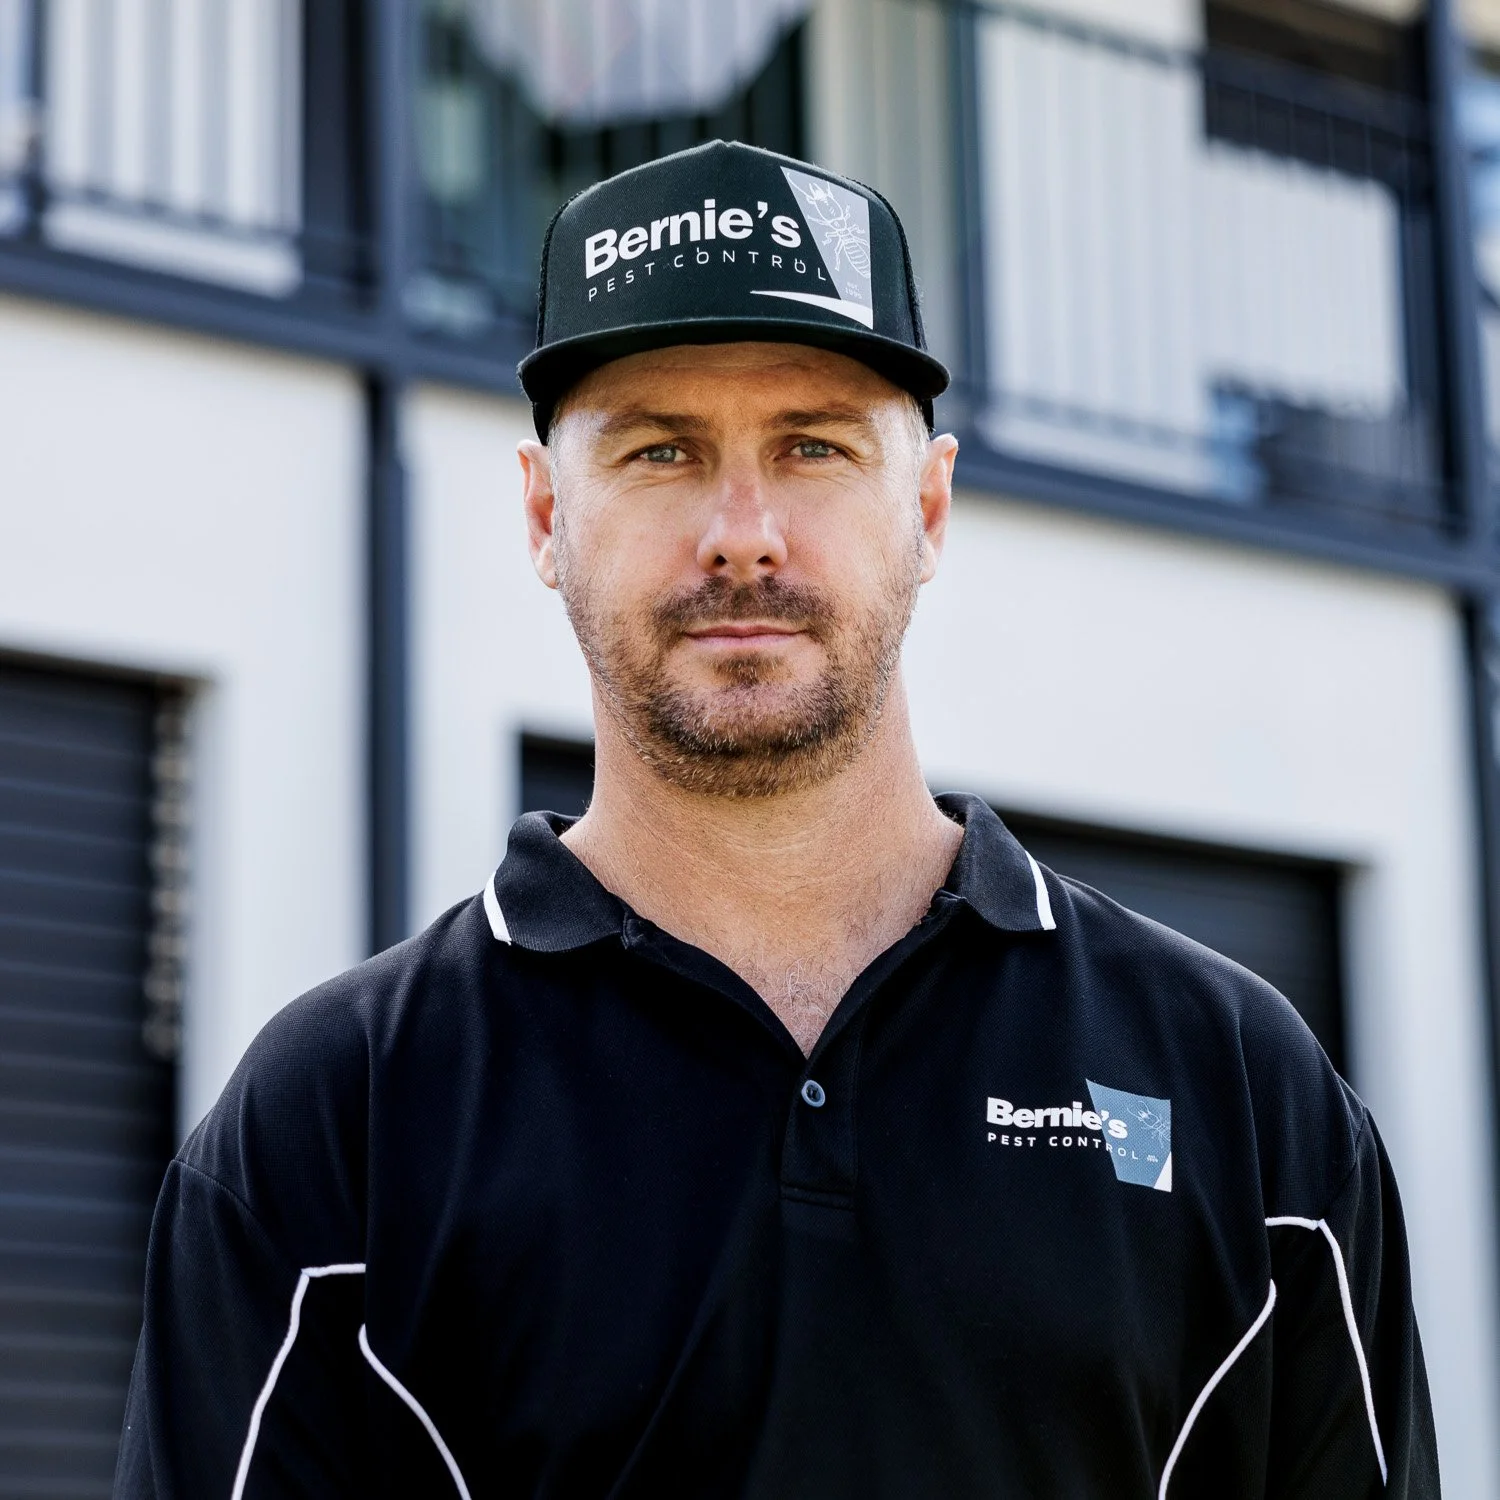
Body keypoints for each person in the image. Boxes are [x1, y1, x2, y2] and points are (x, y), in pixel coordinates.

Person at [114, 140, 1439, 1498]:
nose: (742, 534)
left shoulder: (1236, 1085)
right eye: (660, 449)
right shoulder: (337, 1118)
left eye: (813, 446)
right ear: (546, 515)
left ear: (927, 507)